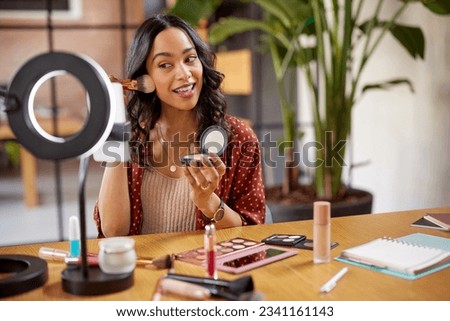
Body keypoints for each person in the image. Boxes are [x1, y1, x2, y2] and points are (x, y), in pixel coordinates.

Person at [94, 14, 265, 237]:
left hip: (209, 270)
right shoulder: (131, 136)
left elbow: (253, 231)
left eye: (190, 59)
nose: (184, 74)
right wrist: (117, 127)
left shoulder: (239, 138)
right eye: (165, 64)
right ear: (145, 78)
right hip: (144, 270)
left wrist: (208, 203)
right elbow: (113, 232)